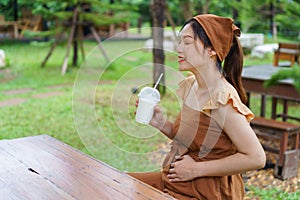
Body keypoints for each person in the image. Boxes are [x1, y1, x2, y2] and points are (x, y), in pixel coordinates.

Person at [129, 14, 266, 200]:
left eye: (187, 42)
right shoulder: (192, 86)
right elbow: (192, 140)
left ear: (211, 49)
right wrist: (162, 124)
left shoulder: (222, 100)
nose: (178, 49)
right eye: (180, 42)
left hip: (206, 192)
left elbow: (256, 157)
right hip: (175, 181)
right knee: (116, 181)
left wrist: (196, 169)